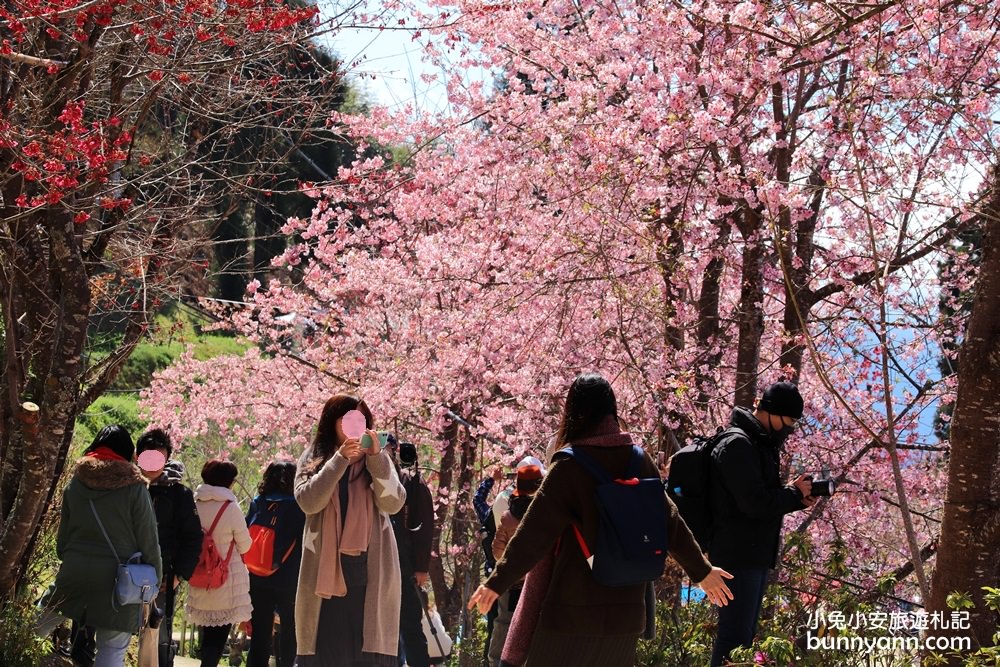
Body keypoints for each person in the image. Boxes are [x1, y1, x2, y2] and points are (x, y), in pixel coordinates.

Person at [468, 373, 733, 666]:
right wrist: (702, 571)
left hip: (572, 616)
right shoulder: (638, 459)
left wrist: (496, 582)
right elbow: (670, 521)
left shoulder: (569, 467)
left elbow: (533, 534)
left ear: (573, 412)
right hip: (626, 616)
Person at [708, 381, 819, 666]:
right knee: (734, 638)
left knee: (743, 638)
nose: (790, 428)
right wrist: (792, 494)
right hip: (736, 556)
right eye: (789, 421)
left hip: (752, 554)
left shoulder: (758, 444)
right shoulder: (738, 444)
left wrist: (795, 497)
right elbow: (754, 503)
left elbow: (762, 498)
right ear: (771, 411)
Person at [293, 394, 406, 666]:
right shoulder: (315, 458)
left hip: (370, 574)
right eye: (349, 419)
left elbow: (393, 503)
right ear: (332, 422)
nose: (356, 426)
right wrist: (338, 460)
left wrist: (376, 458)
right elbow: (308, 501)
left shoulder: (377, 459)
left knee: (367, 652)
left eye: (362, 420)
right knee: (326, 652)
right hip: (325, 577)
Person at [52, 425, 162, 667]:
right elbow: (148, 540)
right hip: (118, 581)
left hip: (74, 572)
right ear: (127, 452)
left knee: (39, 625)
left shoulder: (75, 483)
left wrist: (71, 558)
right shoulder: (134, 488)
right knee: (111, 652)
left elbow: (63, 540)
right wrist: (153, 579)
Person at [134, 428, 204, 667]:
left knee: (157, 633)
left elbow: (193, 537)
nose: (152, 465)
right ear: (137, 457)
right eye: (148, 457)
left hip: (163, 576)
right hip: (124, 570)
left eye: (159, 459)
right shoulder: (126, 488)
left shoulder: (179, 494)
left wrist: (179, 576)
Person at [186, 460, 253, 667]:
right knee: (219, 634)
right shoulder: (230, 508)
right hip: (225, 578)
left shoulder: (193, 504)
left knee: (206, 632)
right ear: (228, 483)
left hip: (198, 575)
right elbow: (245, 545)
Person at [246, 460, 306, 667]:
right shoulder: (298, 507)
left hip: (257, 575)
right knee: (290, 631)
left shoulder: (258, 502)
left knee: (260, 631)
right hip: (288, 577)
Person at [487, 457, 544, 667]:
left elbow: (497, 552)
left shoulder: (508, 515)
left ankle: (496, 662)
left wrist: (512, 566)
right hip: (539, 583)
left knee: (504, 623)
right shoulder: (546, 514)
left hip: (512, 583)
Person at [388, 439, 435, 667]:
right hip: (383, 565)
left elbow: (424, 528)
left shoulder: (413, 484)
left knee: (410, 627)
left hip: (406, 567)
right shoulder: (377, 481)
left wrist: (421, 567)